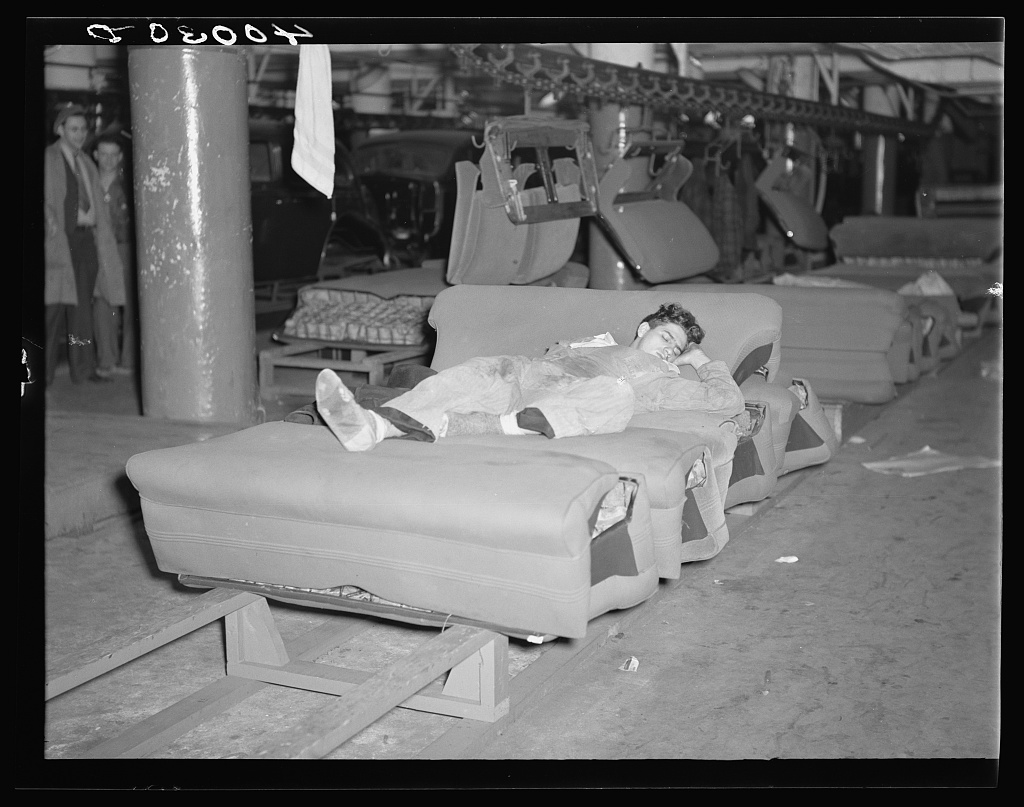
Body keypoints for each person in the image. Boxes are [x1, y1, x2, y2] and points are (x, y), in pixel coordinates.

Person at [314, 302, 745, 452]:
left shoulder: (656, 374)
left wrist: (703, 362)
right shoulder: (596, 342)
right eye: (666, 336)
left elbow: (726, 401)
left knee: (617, 394)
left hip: (567, 402)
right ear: (644, 328)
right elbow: (544, 363)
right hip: (524, 378)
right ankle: (373, 427)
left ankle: (495, 426)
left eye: (677, 348)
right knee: (478, 369)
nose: (671, 348)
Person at [44, 104, 125, 385]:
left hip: (86, 241)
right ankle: (41, 374)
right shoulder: (48, 158)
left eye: (83, 130)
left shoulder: (87, 163)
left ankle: (82, 370)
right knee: (52, 309)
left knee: (82, 311)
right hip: (60, 242)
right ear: (60, 130)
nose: (80, 135)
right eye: (74, 129)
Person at [92, 131, 136, 377]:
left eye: (113, 155)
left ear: (120, 157)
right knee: (102, 302)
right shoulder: (88, 181)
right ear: (96, 155)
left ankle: (128, 361)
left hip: (124, 247)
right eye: (104, 154)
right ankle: (106, 361)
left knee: (129, 303)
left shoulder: (128, 184)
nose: (108, 160)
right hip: (98, 248)